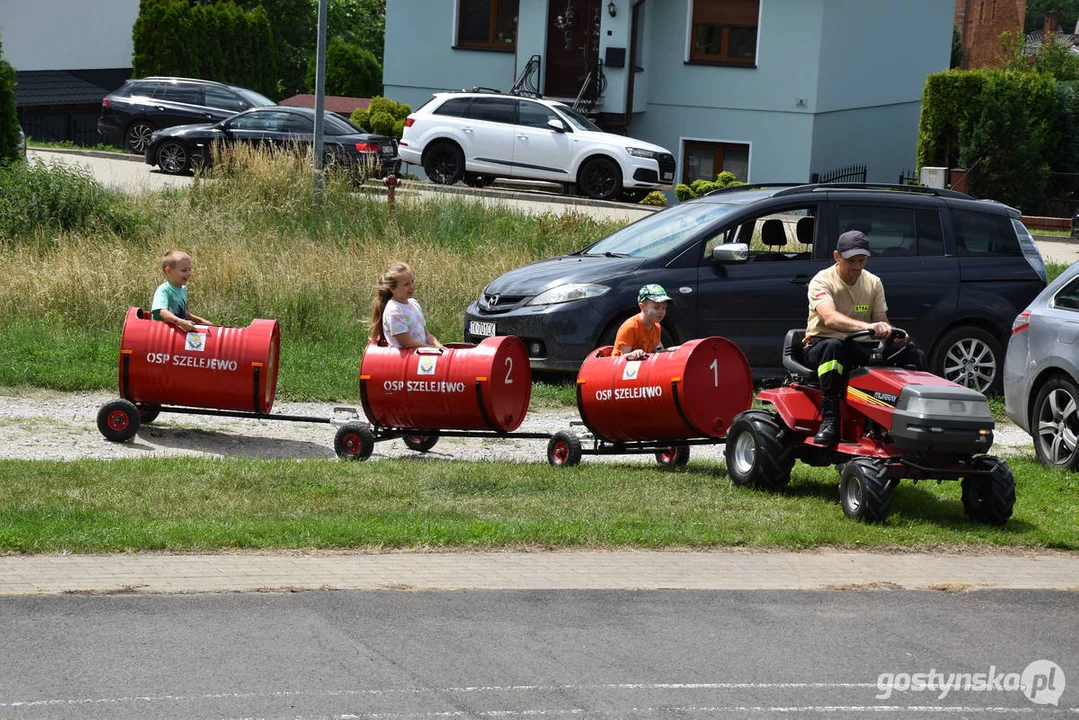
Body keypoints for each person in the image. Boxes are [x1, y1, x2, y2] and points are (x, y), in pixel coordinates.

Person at [803, 230, 924, 445]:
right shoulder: (821, 281)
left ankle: (908, 419)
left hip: (858, 346)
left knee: (912, 352)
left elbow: (881, 320)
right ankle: (830, 420)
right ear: (837, 256)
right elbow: (830, 319)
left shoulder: (873, 282)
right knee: (833, 348)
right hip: (821, 344)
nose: (857, 267)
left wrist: (893, 333)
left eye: (862, 260)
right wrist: (869, 326)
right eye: (852, 261)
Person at [370, 261, 444, 349]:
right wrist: (433, 350)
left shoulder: (413, 303)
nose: (412, 286)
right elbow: (408, 343)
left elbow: (427, 335)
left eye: (412, 281)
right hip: (406, 359)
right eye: (406, 284)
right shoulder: (394, 311)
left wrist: (442, 349)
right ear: (392, 288)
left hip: (421, 356)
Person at [151, 250, 212, 332]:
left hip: (176, 332)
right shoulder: (163, 290)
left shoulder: (183, 289)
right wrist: (180, 322)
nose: (188, 273)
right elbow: (162, 311)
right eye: (184, 270)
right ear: (168, 271)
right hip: (161, 333)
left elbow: (184, 314)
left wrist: (202, 321)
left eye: (189, 270)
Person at [612, 283, 673, 360]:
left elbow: (652, 353)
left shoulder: (657, 327)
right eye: (656, 307)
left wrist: (670, 350)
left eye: (664, 308)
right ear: (642, 307)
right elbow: (622, 358)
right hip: (621, 369)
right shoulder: (630, 327)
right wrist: (634, 354)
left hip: (641, 366)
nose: (661, 311)